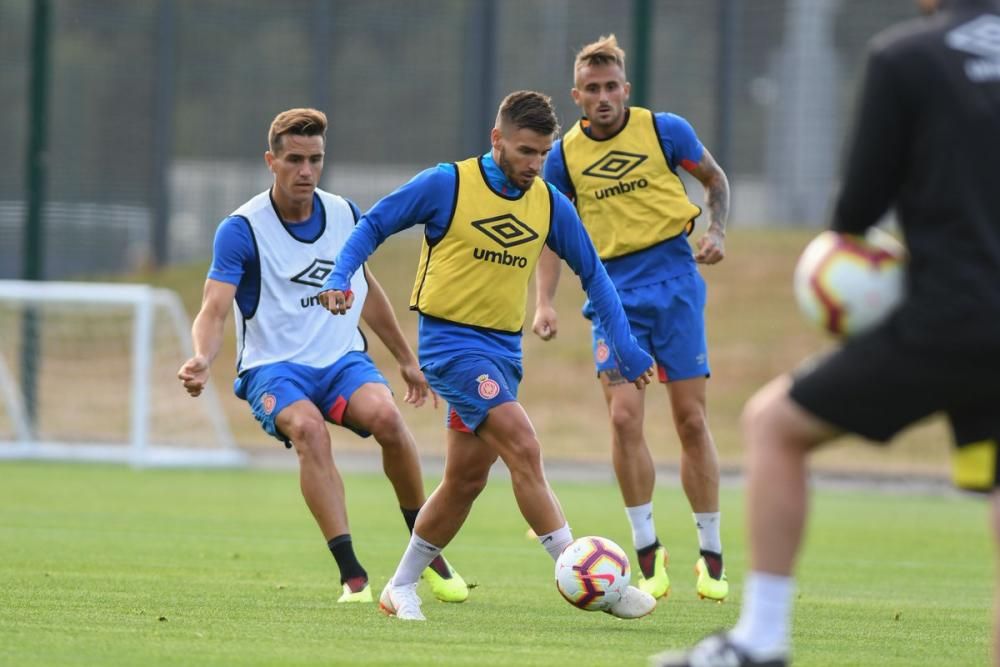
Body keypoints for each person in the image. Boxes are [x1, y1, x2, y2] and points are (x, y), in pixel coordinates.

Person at [653, 0, 1000, 665]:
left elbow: (857, 212)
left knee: (775, 424)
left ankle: (760, 638)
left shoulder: (906, 57)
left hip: (949, 318)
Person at [318, 90, 658, 621]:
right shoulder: (446, 183)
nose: (534, 164)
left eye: (543, 153)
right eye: (524, 151)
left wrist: (628, 347)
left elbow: (595, 275)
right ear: (496, 139)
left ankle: (399, 587)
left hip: (503, 353)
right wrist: (340, 276)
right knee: (524, 443)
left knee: (465, 481)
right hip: (450, 348)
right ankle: (594, 581)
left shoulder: (548, 202)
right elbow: (373, 224)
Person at [176, 107, 468, 606]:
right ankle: (352, 576)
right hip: (273, 369)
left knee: (389, 420)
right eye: (294, 160)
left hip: (340, 360)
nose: (306, 171)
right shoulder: (242, 229)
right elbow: (214, 306)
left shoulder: (344, 214)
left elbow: (368, 290)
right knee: (309, 430)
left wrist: (405, 358)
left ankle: (427, 554)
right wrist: (202, 355)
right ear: (271, 161)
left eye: (315, 160)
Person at [533, 34, 731, 603]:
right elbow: (550, 228)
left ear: (626, 89)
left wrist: (716, 231)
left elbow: (714, 179)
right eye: (591, 89)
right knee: (624, 419)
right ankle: (647, 551)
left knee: (691, 421)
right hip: (611, 291)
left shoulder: (665, 130)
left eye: (611, 87)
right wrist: (544, 302)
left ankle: (711, 553)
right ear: (577, 95)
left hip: (674, 281)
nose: (602, 97)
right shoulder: (564, 156)